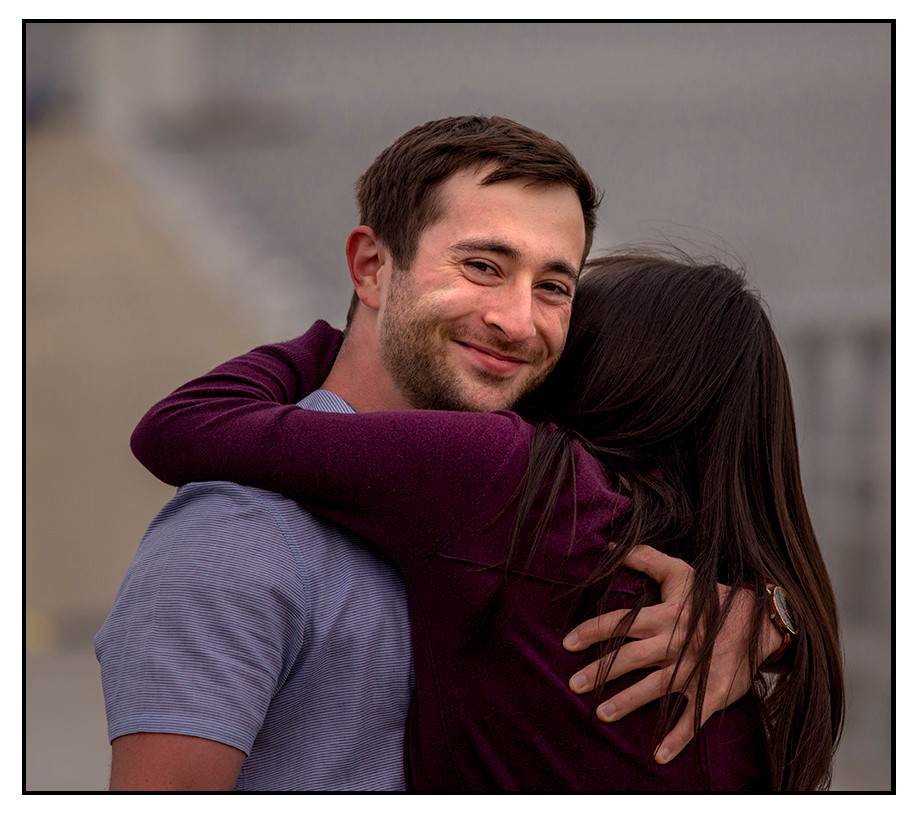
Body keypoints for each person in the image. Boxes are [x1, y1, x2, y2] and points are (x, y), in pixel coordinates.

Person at [96, 116, 785, 791]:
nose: (517, 321)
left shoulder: (541, 513)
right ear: (371, 266)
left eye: (553, 286)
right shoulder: (241, 534)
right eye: (482, 265)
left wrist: (769, 614)